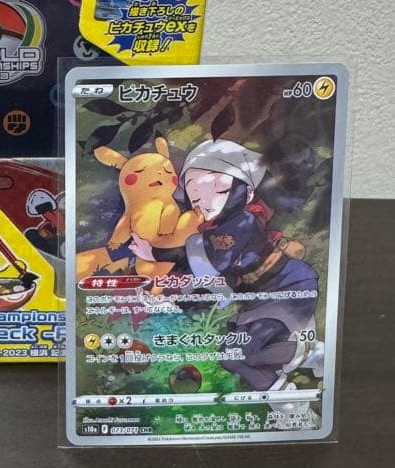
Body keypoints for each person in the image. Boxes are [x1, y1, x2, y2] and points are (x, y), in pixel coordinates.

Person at [132, 139, 322, 392]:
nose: (204, 199)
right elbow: (215, 281)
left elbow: (210, 263)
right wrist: (172, 300)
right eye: (195, 192)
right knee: (231, 357)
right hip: (260, 299)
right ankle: (299, 375)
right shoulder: (213, 235)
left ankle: (306, 361)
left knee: (240, 353)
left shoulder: (242, 223)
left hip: (288, 287)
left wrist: (156, 254)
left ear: (248, 192)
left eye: (217, 189)